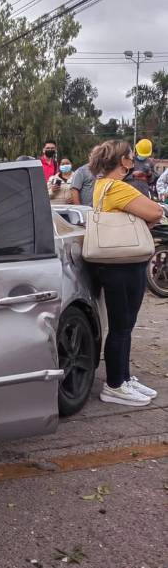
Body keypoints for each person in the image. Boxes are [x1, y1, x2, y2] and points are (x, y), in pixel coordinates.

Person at [88, 140, 163, 406]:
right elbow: (156, 211)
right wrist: (149, 217)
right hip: (123, 264)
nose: (133, 160)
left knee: (124, 325)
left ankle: (124, 377)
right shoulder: (117, 187)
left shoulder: (101, 185)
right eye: (131, 156)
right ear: (123, 161)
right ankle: (114, 385)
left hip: (118, 262)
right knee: (121, 326)